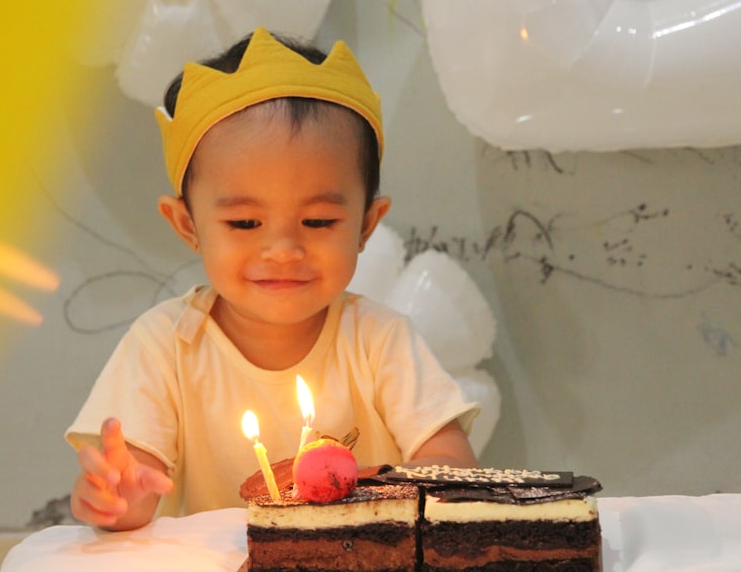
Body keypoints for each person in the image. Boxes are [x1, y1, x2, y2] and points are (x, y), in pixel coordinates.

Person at [66, 27, 479, 531]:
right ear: (187, 225)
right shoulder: (164, 346)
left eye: (319, 221)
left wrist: (365, 486)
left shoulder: (380, 340)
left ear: (367, 225)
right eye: (244, 223)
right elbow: (135, 489)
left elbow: (455, 470)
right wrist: (117, 496)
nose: (283, 251)